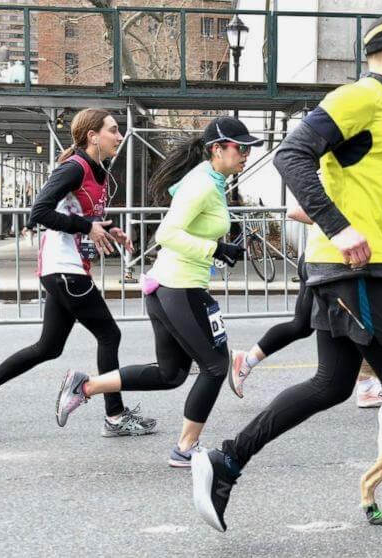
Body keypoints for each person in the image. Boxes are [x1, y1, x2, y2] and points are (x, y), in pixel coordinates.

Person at [190, 15, 382, 541]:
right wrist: (338, 227)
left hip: (364, 267)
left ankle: (226, 461)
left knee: (333, 383)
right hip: (353, 270)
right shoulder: (359, 97)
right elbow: (292, 155)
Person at [55, 117, 263, 468]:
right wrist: (216, 249)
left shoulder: (210, 179)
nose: (246, 154)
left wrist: (217, 247)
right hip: (180, 286)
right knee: (215, 366)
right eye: (240, 148)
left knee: (171, 374)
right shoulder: (201, 184)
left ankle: (85, 386)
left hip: (169, 286)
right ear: (218, 149)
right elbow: (166, 234)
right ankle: (185, 448)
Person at [0, 108, 156, 437]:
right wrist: (86, 227)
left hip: (66, 269)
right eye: (113, 130)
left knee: (49, 346)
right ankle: (115, 417)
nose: (119, 136)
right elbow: (40, 212)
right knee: (109, 335)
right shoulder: (74, 168)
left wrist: (108, 229)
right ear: (93, 136)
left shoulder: (96, 170)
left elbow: (80, 214)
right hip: (65, 269)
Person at [228, 204, 382, 408]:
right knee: (352, 323)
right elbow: (295, 210)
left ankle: (247, 360)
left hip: (327, 261)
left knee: (307, 325)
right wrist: (342, 227)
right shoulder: (329, 174)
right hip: (326, 262)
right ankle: (366, 387)